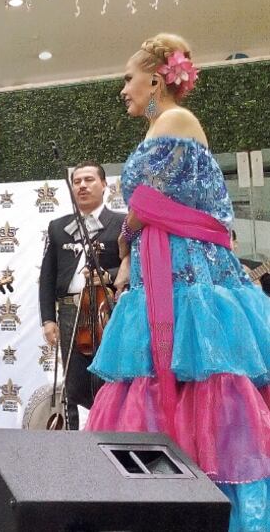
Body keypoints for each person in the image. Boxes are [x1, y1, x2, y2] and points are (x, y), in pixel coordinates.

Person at [86, 34, 270, 532]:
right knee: (166, 374)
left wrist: (124, 237)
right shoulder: (162, 126)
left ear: (154, 77)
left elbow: (147, 202)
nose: (123, 89)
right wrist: (128, 245)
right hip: (161, 265)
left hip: (188, 268)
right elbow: (146, 207)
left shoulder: (174, 120)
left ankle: (208, 505)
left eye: (128, 78)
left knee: (204, 374)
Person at [38, 162, 123, 429]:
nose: (82, 186)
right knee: (72, 382)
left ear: (104, 185)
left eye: (89, 180)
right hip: (67, 309)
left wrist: (107, 276)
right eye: (77, 181)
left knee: (106, 375)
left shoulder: (120, 222)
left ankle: (107, 432)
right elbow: (48, 276)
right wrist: (48, 319)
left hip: (104, 309)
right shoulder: (58, 226)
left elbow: (132, 265)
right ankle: (73, 438)